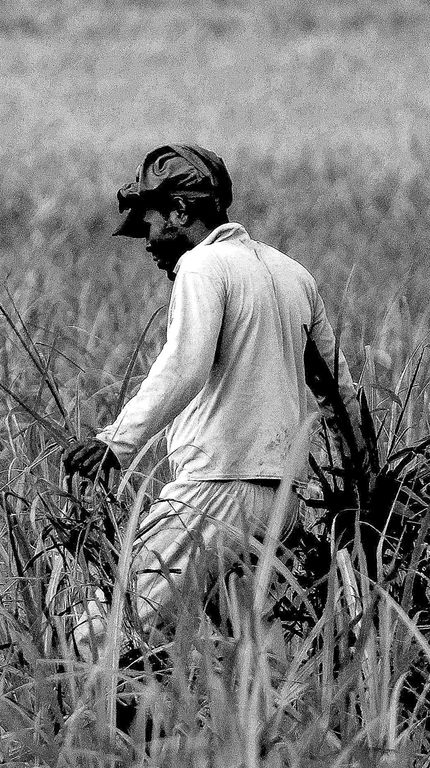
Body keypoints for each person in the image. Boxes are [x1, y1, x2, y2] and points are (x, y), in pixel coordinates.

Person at [60, 143, 358, 660]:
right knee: (244, 658)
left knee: (101, 627)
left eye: (149, 224)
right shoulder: (293, 274)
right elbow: (340, 394)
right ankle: (220, 738)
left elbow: (185, 365)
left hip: (218, 493)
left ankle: (119, 736)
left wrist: (115, 443)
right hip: (282, 505)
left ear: (180, 211)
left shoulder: (203, 267)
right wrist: (364, 485)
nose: (148, 245)